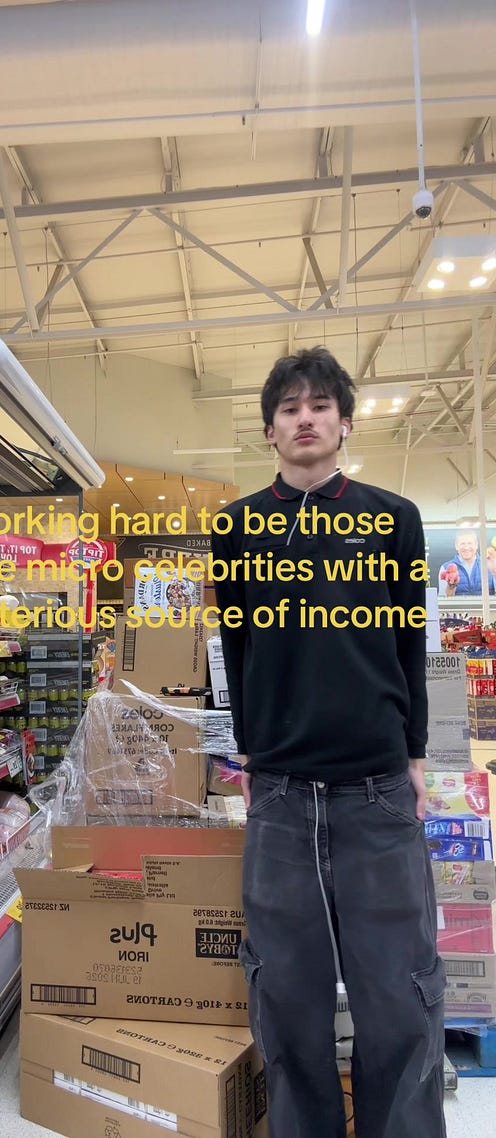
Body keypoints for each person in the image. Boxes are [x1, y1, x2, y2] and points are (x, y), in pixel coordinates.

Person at [211, 347, 446, 1138]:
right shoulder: (237, 527)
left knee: (399, 996)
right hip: (280, 796)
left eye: (320, 405)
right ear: (270, 430)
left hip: (376, 792)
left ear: (345, 423)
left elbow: (409, 645)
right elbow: (237, 648)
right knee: (287, 1001)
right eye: (289, 408)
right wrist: (250, 751)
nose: (305, 418)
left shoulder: (392, 518)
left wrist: (415, 756)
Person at [438, 529, 496, 596]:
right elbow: (443, 599)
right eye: (462, 544)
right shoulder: (445, 568)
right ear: (456, 546)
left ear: (476, 545)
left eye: (469, 543)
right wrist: (451, 586)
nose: (466, 547)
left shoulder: (489, 565)